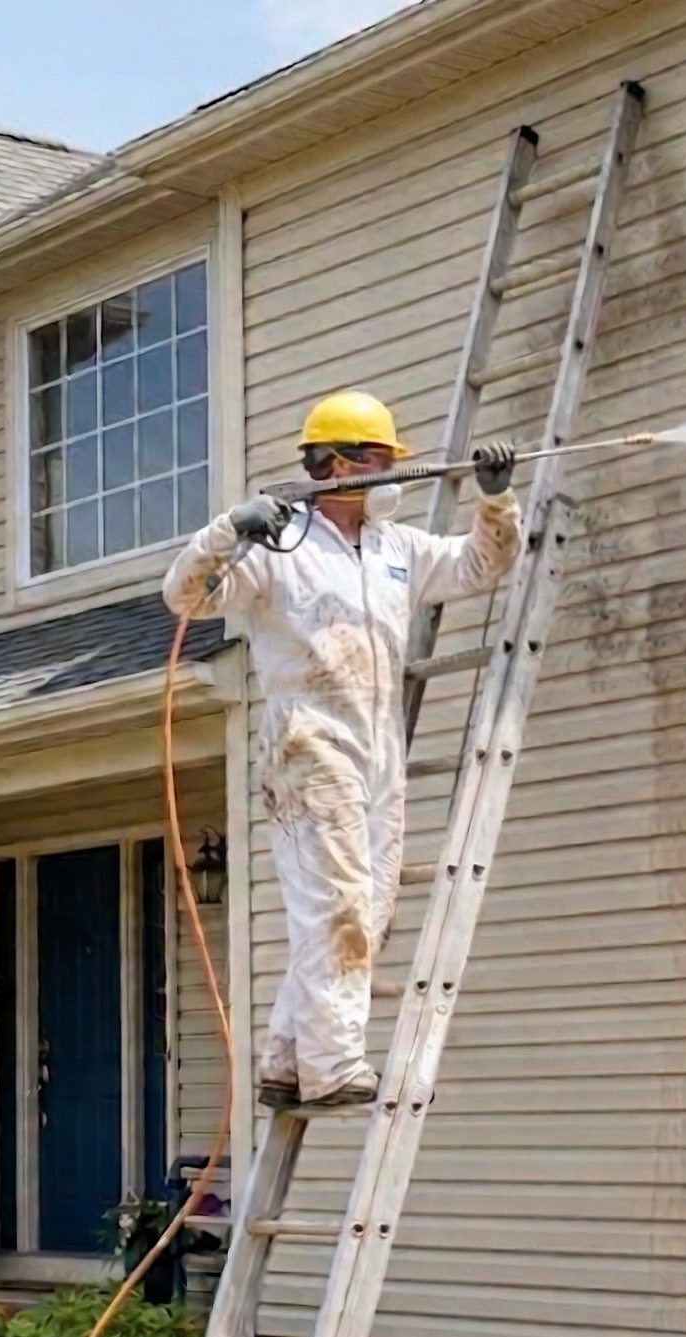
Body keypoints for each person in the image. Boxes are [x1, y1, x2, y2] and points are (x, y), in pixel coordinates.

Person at [162, 390, 521, 1109]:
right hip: (310, 748)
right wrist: (228, 532)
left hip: (376, 751)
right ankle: (332, 1068)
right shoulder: (280, 549)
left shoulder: (397, 550)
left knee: (368, 908)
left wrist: (496, 499)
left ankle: (287, 1061)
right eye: (381, 461)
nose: (390, 475)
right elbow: (186, 597)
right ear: (335, 466)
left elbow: (479, 568)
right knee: (339, 906)